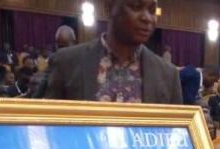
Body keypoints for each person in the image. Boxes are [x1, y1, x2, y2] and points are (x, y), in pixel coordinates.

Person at [46, 0, 182, 104]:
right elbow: (47, 125)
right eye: (136, 7)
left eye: (152, 10)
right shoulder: (66, 62)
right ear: (109, 7)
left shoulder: (168, 75)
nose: (147, 18)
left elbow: (176, 136)